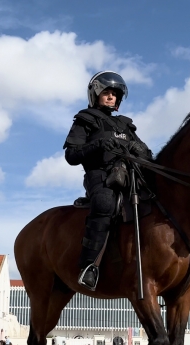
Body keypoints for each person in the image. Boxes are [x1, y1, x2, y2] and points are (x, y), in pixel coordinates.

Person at [63, 71, 153, 290]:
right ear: (96, 94)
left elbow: (148, 155)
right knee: (105, 204)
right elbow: (71, 156)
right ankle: (88, 266)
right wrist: (98, 145)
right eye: (106, 92)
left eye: (114, 94)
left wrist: (139, 149)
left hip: (130, 176)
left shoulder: (125, 125)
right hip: (100, 176)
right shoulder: (85, 119)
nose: (111, 97)